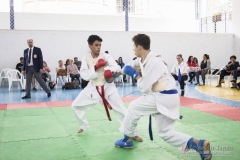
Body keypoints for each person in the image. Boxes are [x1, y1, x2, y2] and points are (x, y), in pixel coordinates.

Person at [114, 34, 212, 160]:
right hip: (168, 98)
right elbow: (130, 65)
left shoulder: (153, 62)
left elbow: (144, 87)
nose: (133, 49)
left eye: (134, 46)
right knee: (166, 133)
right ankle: (199, 144)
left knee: (133, 107)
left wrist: (134, 74)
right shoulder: (146, 59)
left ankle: (127, 138)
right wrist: (116, 74)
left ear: (139, 47)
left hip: (162, 97)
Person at [71, 35, 142, 141]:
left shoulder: (105, 56)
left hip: (108, 87)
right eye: (96, 45)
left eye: (100, 45)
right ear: (90, 45)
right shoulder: (86, 57)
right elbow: (84, 75)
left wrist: (107, 70)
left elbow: (116, 67)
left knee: (121, 110)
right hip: (93, 88)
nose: (99, 47)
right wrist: (95, 67)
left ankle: (133, 133)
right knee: (75, 106)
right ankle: (83, 125)